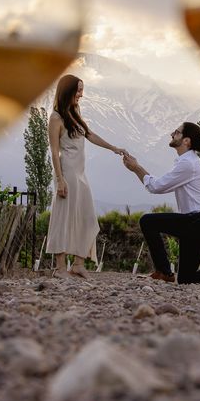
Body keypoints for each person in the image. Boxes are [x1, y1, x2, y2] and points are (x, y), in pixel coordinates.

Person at [122, 122, 200, 286]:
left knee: (147, 221)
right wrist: (136, 168)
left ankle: (164, 272)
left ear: (186, 141)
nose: (172, 134)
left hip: (199, 222)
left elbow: (156, 187)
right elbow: (156, 184)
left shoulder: (187, 164)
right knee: (186, 279)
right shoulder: (188, 162)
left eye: (176, 132)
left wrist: (136, 168)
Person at [45, 74, 126, 278]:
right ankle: (60, 268)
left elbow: (89, 134)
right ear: (68, 91)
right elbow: (54, 152)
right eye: (78, 90)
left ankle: (78, 264)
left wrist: (113, 148)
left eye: (82, 90)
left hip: (80, 174)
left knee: (88, 218)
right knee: (63, 218)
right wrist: (59, 179)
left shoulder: (75, 112)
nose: (81, 94)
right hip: (68, 174)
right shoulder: (55, 118)